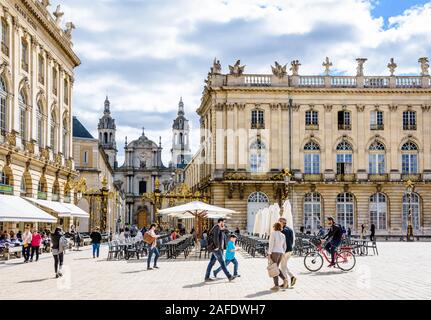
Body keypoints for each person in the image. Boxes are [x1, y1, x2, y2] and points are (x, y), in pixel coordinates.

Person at [268, 222, 287, 291]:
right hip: (281, 252)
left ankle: (277, 285)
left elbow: (271, 244)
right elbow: (285, 246)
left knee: (274, 268)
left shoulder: (273, 233)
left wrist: (269, 253)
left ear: (274, 227)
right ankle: (284, 280)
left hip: (274, 252)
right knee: (276, 268)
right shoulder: (283, 235)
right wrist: (283, 252)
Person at [279, 218, 296, 288]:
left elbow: (282, 242)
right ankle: (292, 277)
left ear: (282, 223)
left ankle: (286, 283)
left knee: (283, 267)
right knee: (284, 266)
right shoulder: (290, 229)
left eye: (279, 222)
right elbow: (292, 240)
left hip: (284, 251)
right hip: (290, 250)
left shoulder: (282, 231)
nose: (279, 223)